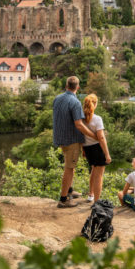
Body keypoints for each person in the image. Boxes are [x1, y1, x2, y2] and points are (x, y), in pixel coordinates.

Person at [53, 76, 97, 208]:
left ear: (66, 85)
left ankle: (69, 191)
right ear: (77, 87)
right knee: (70, 168)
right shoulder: (75, 102)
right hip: (71, 140)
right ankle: (63, 199)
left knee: (69, 165)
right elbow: (79, 124)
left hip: (60, 138)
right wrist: (93, 135)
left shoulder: (57, 98)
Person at [82, 94, 112, 203]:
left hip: (88, 149)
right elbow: (101, 138)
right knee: (99, 176)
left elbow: (81, 135)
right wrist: (107, 154)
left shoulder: (82, 119)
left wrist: (83, 149)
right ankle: (97, 202)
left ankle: (91, 194)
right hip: (97, 149)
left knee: (94, 170)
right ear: (94, 104)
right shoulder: (97, 119)